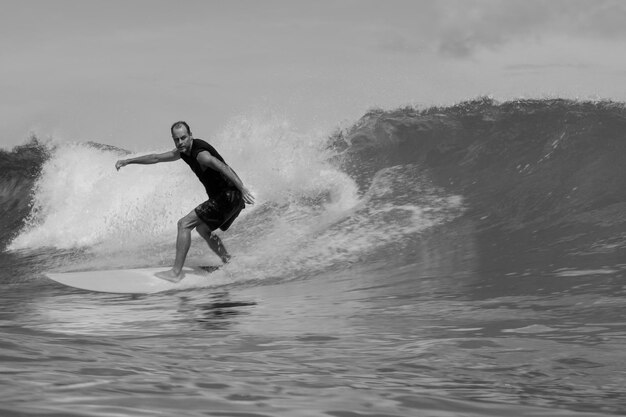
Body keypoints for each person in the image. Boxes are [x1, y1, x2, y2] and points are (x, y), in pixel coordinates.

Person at [115, 121, 254, 282]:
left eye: (183, 138)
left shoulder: (200, 154)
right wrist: (128, 161)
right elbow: (156, 158)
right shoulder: (183, 152)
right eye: (176, 139)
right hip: (231, 198)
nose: (180, 142)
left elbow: (222, 166)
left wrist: (242, 189)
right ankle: (228, 260)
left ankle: (175, 273)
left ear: (190, 136)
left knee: (184, 224)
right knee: (202, 229)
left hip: (228, 196)